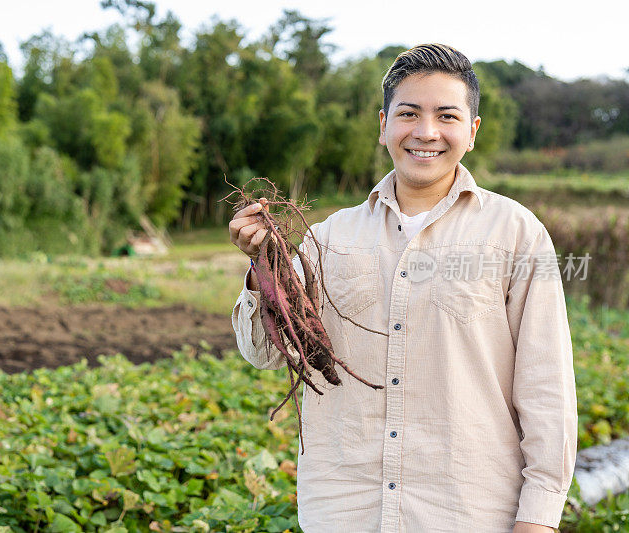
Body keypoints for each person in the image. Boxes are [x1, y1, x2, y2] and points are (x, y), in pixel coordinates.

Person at [229, 44, 577, 533]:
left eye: (447, 116)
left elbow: (547, 387)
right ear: (384, 125)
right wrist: (262, 269)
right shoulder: (330, 237)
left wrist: (539, 518)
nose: (426, 132)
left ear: (472, 131)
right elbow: (267, 353)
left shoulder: (515, 233)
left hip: (467, 511)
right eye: (409, 114)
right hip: (344, 510)